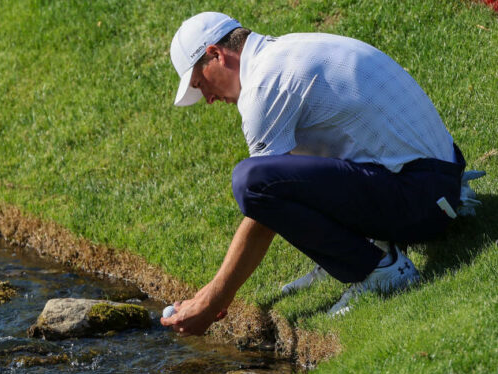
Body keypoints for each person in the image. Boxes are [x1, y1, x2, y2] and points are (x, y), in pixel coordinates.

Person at [160, 11, 483, 335]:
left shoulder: (263, 84)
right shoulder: (285, 50)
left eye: (200, 84)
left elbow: (263, 205)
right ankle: (351, 252)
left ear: (216, 54)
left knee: (251, 181)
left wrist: (213, 299)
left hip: (423, 198)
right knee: (276, 173)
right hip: (437, 182)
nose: (209, 99)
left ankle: (382, 270)